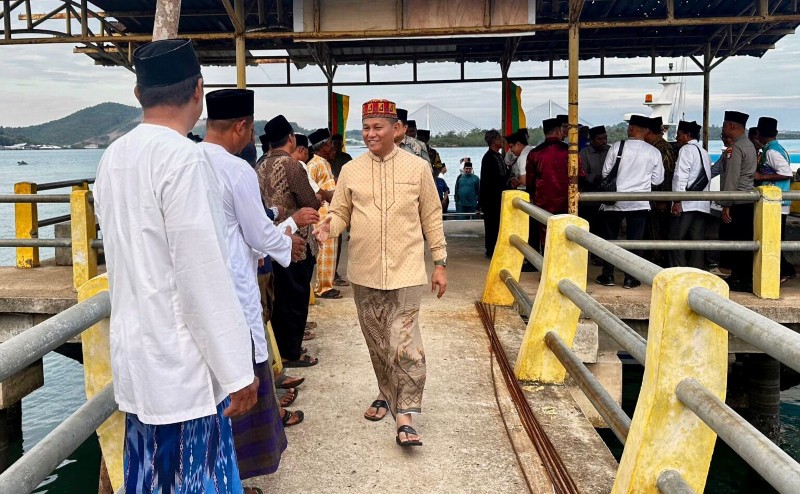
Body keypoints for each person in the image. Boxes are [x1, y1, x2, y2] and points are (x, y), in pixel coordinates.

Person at [94, 39, 258, 493]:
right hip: (183, 371)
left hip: (136, 362)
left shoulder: (112, 158)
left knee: (149, 480)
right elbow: (202, 276)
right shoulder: (185, 159)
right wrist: (237, 372)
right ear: (198, 89)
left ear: (138, 94)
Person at [314, 98, 447, 448]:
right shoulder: (351, 170)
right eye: (366, 127)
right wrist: (328, 226)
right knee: (378, 344)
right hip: (365, 271)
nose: (370, 134)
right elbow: (340, 213)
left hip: (407, 270)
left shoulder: (418, 169)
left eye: (378, 127)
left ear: (396, 129)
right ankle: (385, 393)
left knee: (405, 344)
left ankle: (405, 416)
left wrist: (440, 262)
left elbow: (432, 216)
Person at [199, 89, 308, 484]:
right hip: (233, 290)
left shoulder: (188, 160)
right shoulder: (235, 169)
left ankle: (213, 476)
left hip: (199, 293)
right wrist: (288, 241)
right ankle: (235, 479)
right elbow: (259, 232)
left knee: (210, 395)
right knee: (243, 388)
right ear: (241, 126)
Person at [256, 115, 322, 366]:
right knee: (295, 297)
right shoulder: (292, 165)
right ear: (291, 138)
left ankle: (281, 348)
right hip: (296, 241)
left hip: (269, 239)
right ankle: (292, 352)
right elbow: (310, 201)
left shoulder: (260, 164)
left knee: (278, 297)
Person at [596, 114, 664, 289]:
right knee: (635, 241)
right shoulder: (654, 152)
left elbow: (605, 173)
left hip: (614, 202)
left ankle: (608, 275)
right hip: (639, 203)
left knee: (610, 240)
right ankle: (630, 278)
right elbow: (657, 180)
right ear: (646, 131)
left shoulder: (617, 147)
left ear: (631, 128)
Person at [527, 117, 586, 250]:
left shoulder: (534, 153)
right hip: (567, 200)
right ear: (559, 131)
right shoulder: (570, 151)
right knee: (566, 234)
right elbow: (581, 175)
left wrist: (533, 197)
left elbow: (530, 181)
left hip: (543, 201)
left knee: (546, 235)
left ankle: (546, 260)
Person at [718, 110, 758, 292]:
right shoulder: (749, 145)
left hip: (737, 201)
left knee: (736, 241)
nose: (723, 129)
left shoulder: (736, 148)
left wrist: (726, 203)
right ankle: (743, 276)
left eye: (724, 125)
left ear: (732, 126)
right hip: (748, 200)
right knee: (745, 241)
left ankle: (740, 278)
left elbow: (732, 178)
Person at [754, 116, 796, 282]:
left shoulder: (772, 151)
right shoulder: (775, 148)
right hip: (777, 201)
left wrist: (761, 176)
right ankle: (785, 269)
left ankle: (784, 271)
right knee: (776, 238)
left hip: (777, 202)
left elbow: (786, 173)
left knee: (774, 238)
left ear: (760, 133)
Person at [668, 120, 711, 269]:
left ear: (687, 135)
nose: (677, 138)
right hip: (701, 204)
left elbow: (680, 176)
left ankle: (678, 270)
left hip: (686, 204)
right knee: (697, 242)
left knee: (676, 239)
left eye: (679, 134)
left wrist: (677, 200)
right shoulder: (704, 152)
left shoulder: (686, 150)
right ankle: (696, 271)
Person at [307, 128, 341, 299]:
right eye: (329, 144)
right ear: (322, 146)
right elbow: (310, 188)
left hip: (330, 212)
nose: (332, 147)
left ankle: (327, 285)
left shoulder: (325, 163)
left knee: (330, 252)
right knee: (324, 252)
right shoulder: (313, 164)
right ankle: (323, 287)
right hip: (321, 214)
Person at [644, 116, 676, 267]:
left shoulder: (663, 148)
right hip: (652, 197)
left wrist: (663, 198)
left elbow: (667, 174)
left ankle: (659, 260)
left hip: (659, 198)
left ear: (649, 132)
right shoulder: (652, 147)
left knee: (658, 229)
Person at [580, 125, 610, 264]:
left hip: (608, 197)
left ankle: (601, 256)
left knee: (605, 228)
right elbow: (582, 173)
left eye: (605, 138)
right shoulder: (584, 153)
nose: (603, 141)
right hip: (590, 197)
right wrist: (595, 178)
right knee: (591, 227)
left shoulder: (610, 151)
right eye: (600, 139)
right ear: (591, 140)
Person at [480, 129, 513, 258]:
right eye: (499, 139)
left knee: (498, 224)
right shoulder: (488, 158)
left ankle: (496, 248)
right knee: (491, 225)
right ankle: (491, 250)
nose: (502, 141)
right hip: (491, 198)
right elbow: (487, 180)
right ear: (494, 141)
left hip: (499, 196)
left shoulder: (498, 156)